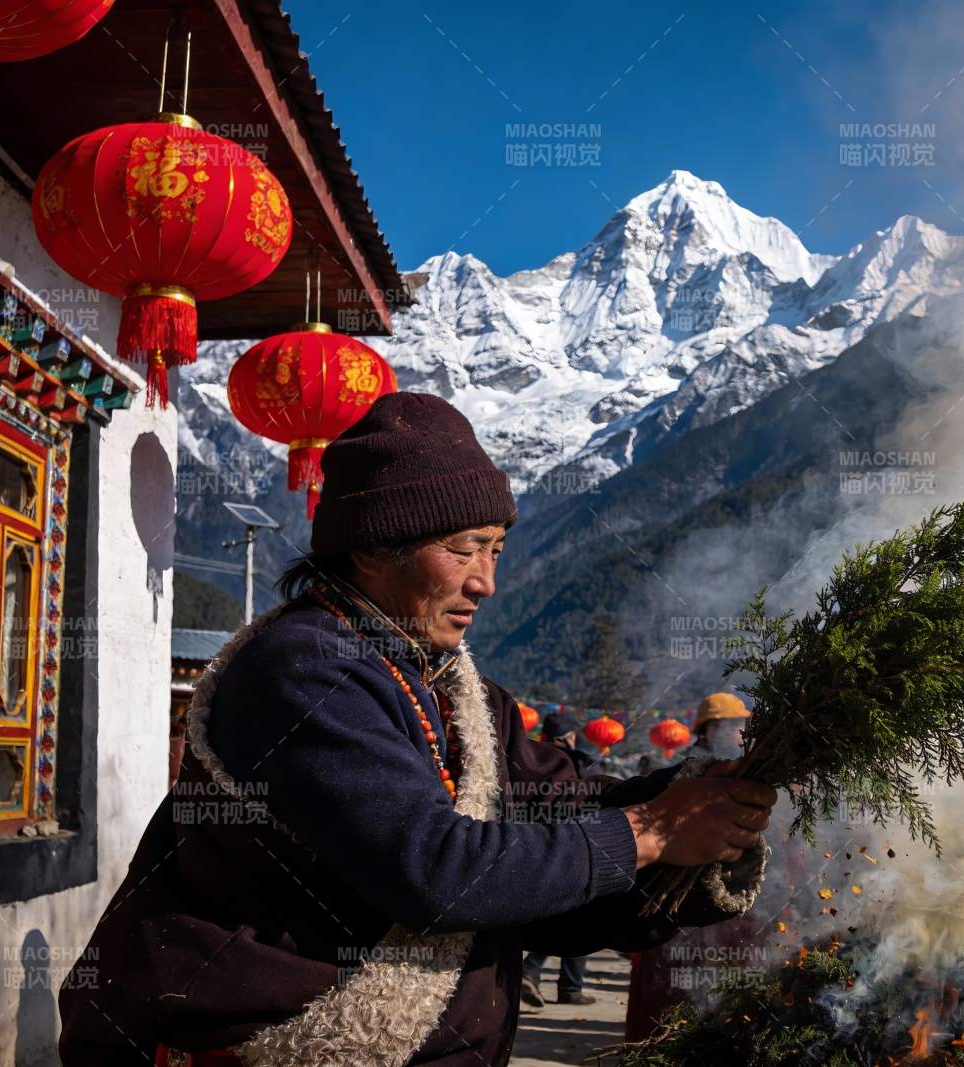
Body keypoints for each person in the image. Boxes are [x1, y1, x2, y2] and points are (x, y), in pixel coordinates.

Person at [57, 393, 777, 1067]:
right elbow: (438, 872)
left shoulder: (458, 690)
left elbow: (562, 816)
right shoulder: (304, 669)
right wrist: (651, 829)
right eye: (464, 548)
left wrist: (700, 803)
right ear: (374, 546)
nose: (486, 580)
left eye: (496, 549)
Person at [624, 692, 761, 1041]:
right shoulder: (686, 776)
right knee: (669, 1003)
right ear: (711, 729)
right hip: (679, 914)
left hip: (716, 912)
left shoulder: (731, 773)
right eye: (736, 728)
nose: (742, 737)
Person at [521, 710, 595, 1009]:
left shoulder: (528, 756)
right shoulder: (575, 762)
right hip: (574, 845)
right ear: (571, 737)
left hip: (532, 846)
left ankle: (564, 985)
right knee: (581, 917)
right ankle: (565, 986)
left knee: (563, 916)